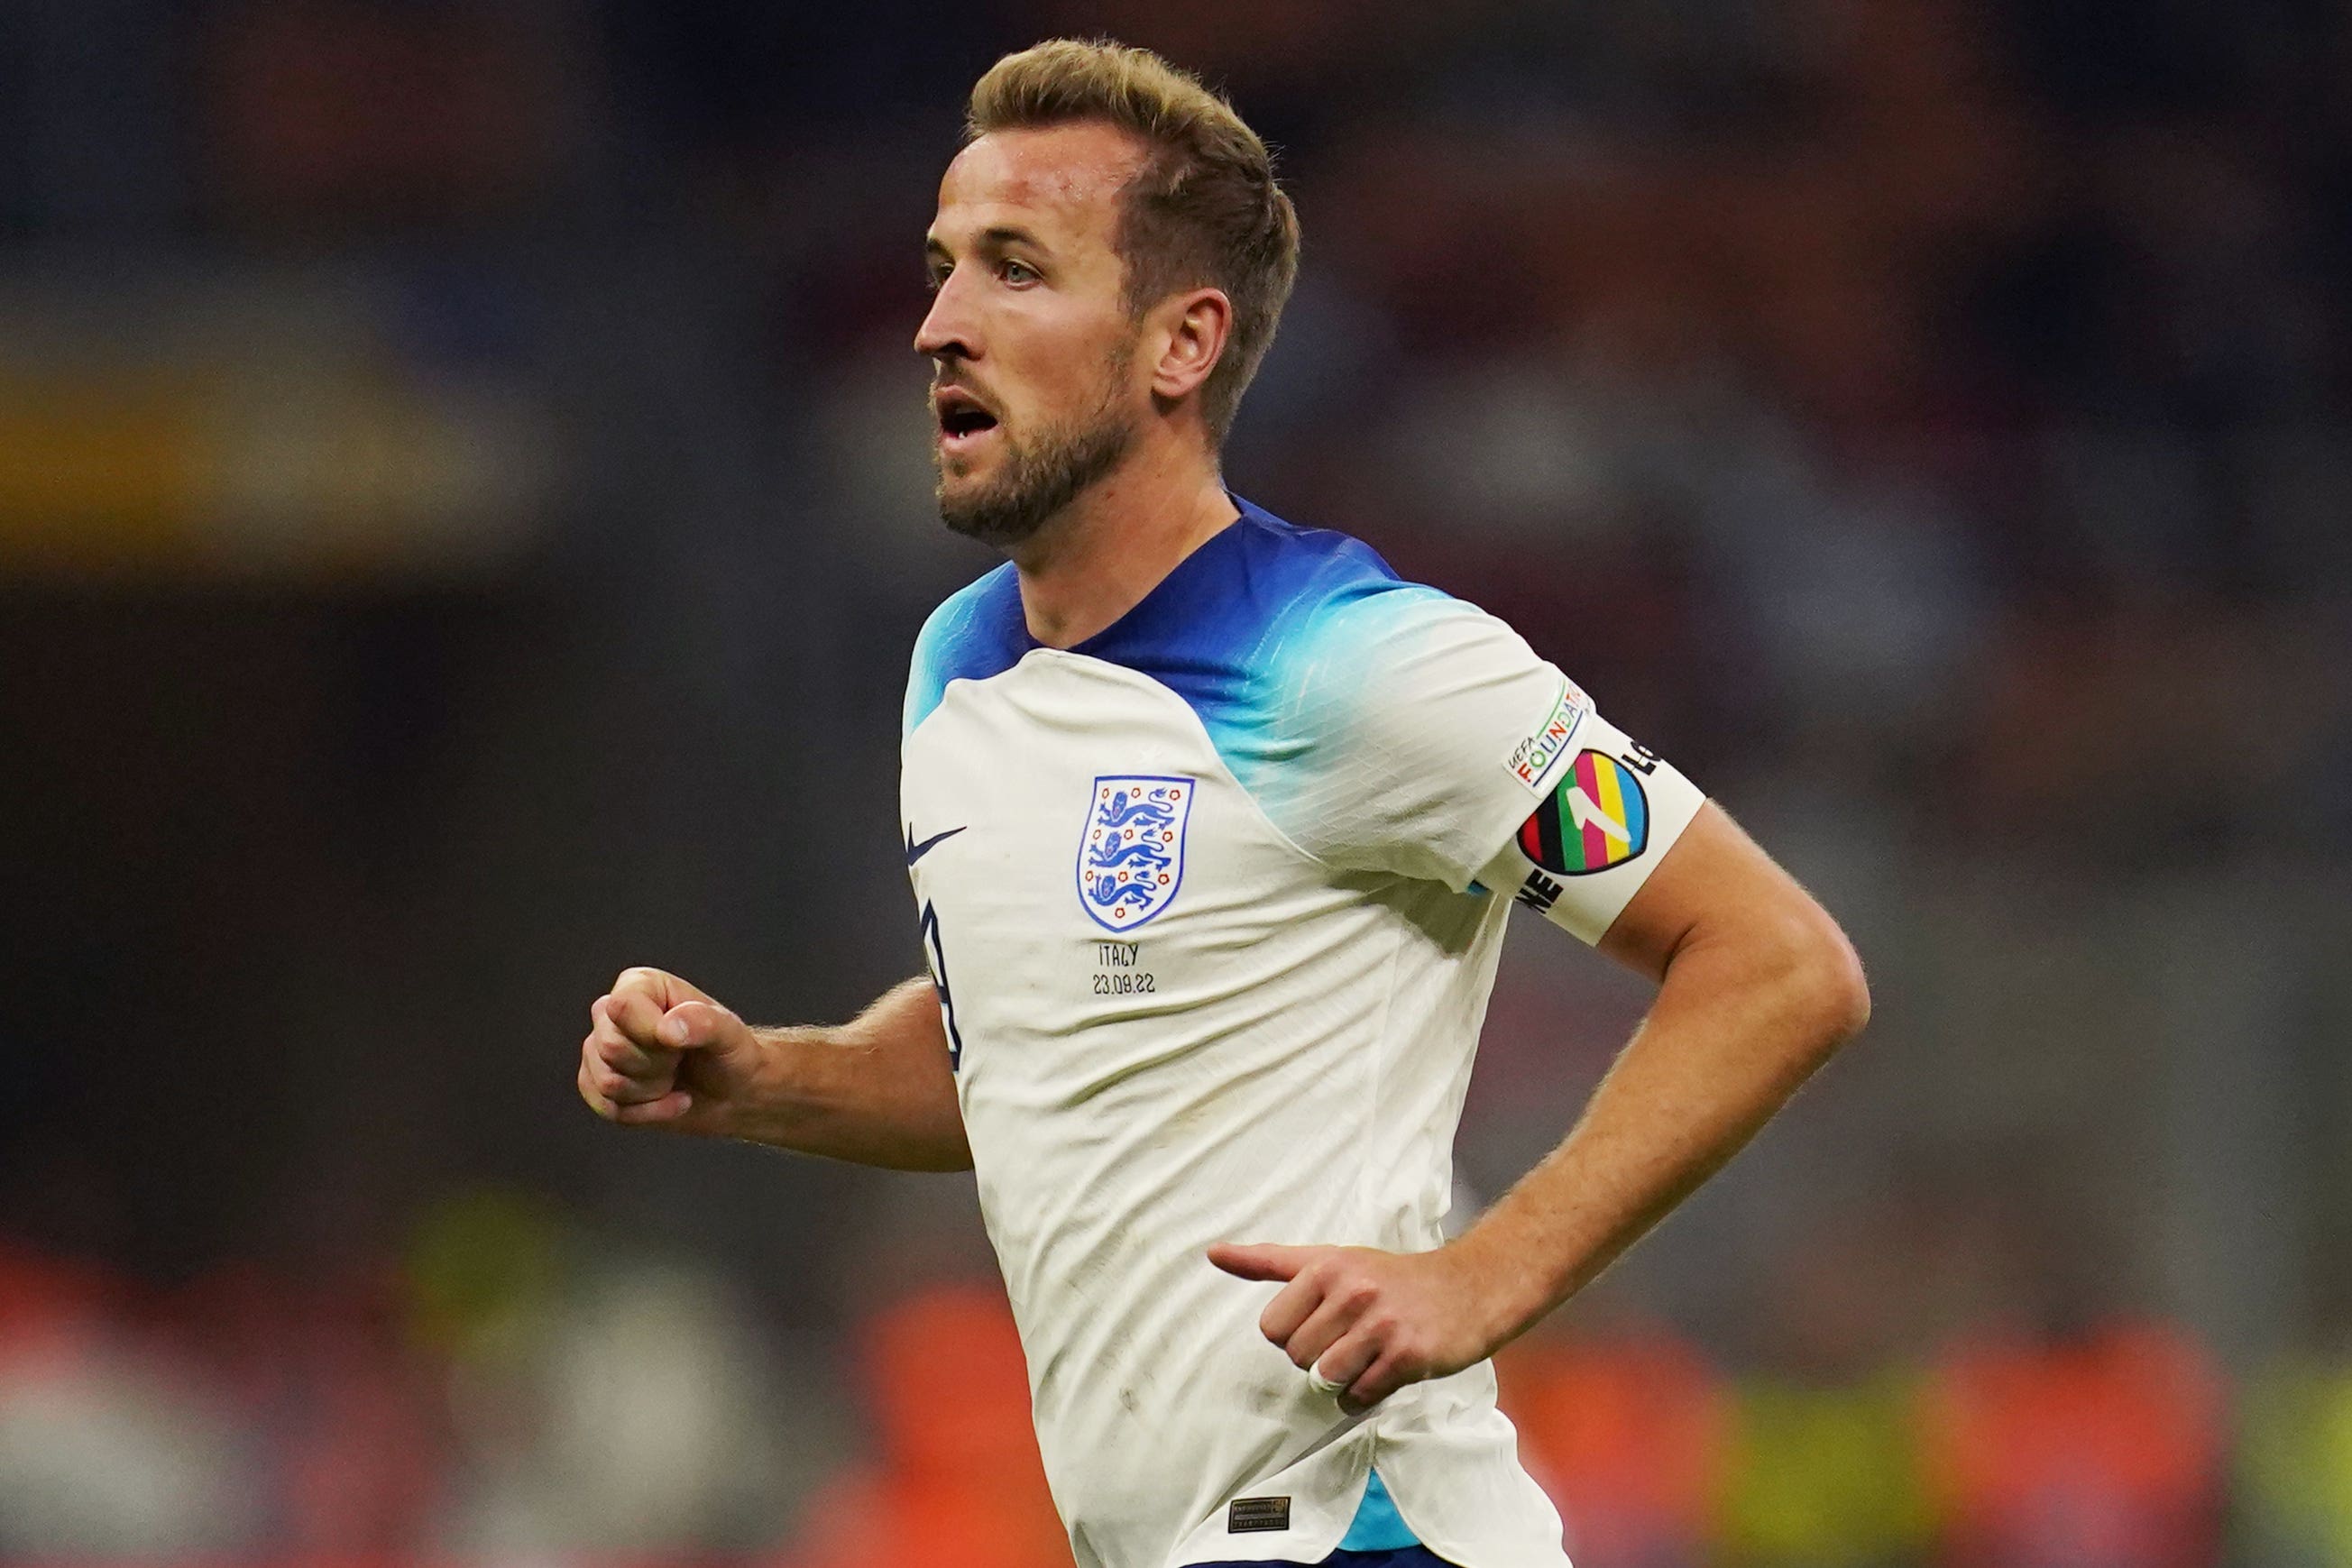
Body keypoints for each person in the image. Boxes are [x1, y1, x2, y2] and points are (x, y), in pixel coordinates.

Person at [577, 38, 1870, 1568]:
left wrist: (1487, 1273)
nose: (937, 324)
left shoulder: (1366, 665)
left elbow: (1779, 963)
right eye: (939, 269)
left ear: (1179, 344)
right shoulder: (959, 667)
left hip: (1362, 1532)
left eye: (1013, 270)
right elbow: (1034, 1051)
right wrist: (763, 1080)